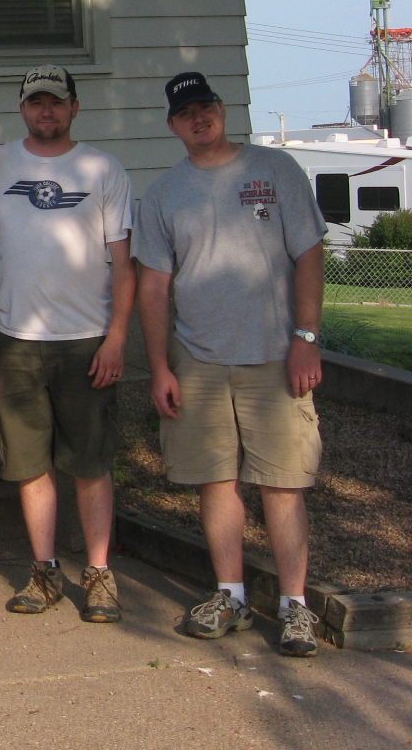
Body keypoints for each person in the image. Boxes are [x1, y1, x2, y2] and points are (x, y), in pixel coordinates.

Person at [134, 71, 326, 658]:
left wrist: (306, 338)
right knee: (215, 482)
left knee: (282, 485)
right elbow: (154, 288)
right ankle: (231, 594)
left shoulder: (276, 172)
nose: (199, 118)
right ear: (172, 126)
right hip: (199, 362)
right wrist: (162, 368)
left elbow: (310, 256)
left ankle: (295, 608)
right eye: (186, 113)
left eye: (206, 107)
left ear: (222, 110)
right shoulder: (165, 194)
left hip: (275, 357)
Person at [0, 65, 136, 624]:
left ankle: (99, 574)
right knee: (29, 463)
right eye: (37, 103)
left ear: (74, 108)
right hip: (14, 336)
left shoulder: (103, 169)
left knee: (90, 463)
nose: (47, 112)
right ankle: (44, 572)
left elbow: (124, 264)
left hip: (86, 339)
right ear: (22, 109)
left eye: (56, 103)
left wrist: (116, 338)